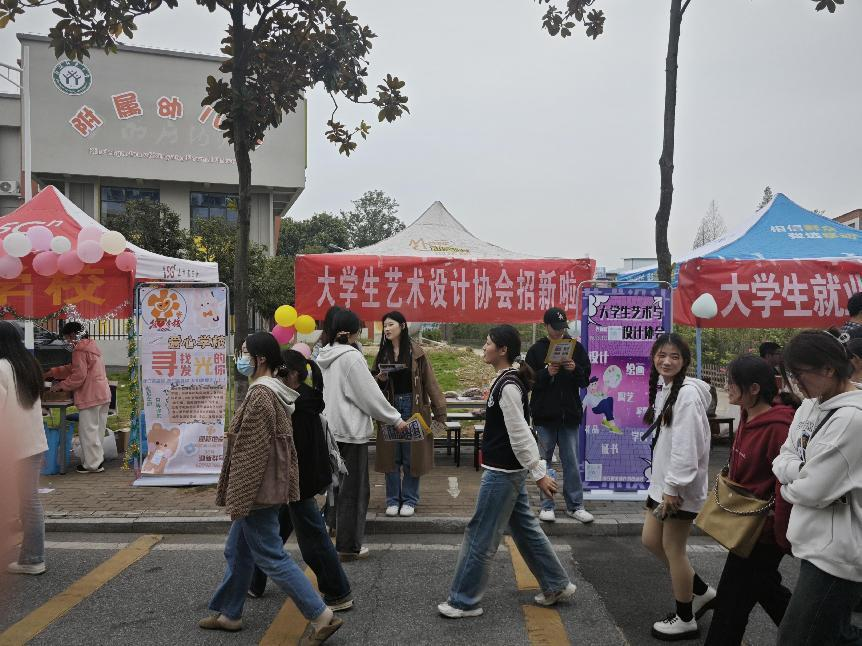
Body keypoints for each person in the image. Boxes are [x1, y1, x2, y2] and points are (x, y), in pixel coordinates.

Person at [201, 332, 342, 644]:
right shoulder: (274, 391)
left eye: (244, 352)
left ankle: (322, 616)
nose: (240, 358)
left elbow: (252, 454)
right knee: (237, 549)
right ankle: (230, 614)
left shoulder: (261, 395)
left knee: (269, 555)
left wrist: (240, 497)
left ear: (260, 358)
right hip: (265, 488)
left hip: (256, 492)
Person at [438, 324, 576, 619]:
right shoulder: (506, 381)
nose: (484, 347)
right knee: (524, 529)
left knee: (480, 534)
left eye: (488, 343)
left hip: (502, 473)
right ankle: (556, 584)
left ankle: (463, 601)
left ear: (503, 350)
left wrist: (539, 472)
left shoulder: (508, 385)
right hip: (508, 469)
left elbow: (520, 432)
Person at [772, 330, 862, 646]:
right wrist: (799, 471)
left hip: (838, 552)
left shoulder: (852, 419)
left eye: (800, 375)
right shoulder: (809, 406)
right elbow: (783, 455)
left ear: (828, 368)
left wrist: (787, 485)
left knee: (796, 638)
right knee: (832, 635)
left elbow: (811, 491)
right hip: (813, 539)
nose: (796, 384)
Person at [246, 349, 353, 611]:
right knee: (272, 533)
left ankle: (339, 592)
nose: (275, 375)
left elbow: (293, 449)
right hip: (295, 479)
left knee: (313, 540)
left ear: (292, 374)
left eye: (279, 371)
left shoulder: (295, 405)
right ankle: (253, 581)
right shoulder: (301, 398)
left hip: (298, 482)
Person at [704, 355, 795, 646]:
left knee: (730, 606)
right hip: (747, 524)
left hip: (762, 533)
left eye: (732, 382)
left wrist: (781, 535)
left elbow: (785, 485)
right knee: (768, 591)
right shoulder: (747, 414)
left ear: (754, 388)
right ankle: (821, 635)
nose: (726, 387)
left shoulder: (779, 427)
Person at [640, 332, 715, 641]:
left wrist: (673, 488)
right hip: (662, 485)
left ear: (684, 361)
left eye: (674, 356)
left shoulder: (687, 395)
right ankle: (702, 591)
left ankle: (685, 618)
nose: (667, 361)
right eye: (662, 355)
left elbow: (687, 447)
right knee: (650, 540)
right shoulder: (667, 388)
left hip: (676, 490)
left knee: (674, 550)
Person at [316, 309, 407, 561]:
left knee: (336, 487)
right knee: (354, 492)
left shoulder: (326, 354)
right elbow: (369, 396)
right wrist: (395, 418)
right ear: (351, 331)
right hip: (350, 432)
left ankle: (332, 529)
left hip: (330, 430)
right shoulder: (350, 357)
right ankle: (348, 547)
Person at [373, 311, 447, 518]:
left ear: (403, 326)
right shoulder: (382, 354)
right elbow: (372, 386)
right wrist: (380, 379)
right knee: (391, 458)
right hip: (389, 410)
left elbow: (430, 383)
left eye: (391, 325)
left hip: (414, 409)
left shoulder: (417, 352)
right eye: (385, 325)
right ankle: (392, 500)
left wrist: (440, 412)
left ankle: (409, 500)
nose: (387, 329)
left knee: (411, 457)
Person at [524, 307, 594, 524]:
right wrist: (546, 373)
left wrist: (575, 369)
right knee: (544, 462)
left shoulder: (576, 348)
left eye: (562, 328)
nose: (559, 332)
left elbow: (585, 380)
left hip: (569, 415)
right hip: (545, 416)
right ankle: (547, 506)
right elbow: (528, 381)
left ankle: (575, 505)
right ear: (546, 326)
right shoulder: (536, 350)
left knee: (571, 462)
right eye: (555, 328)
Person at [1, 321, 49, 575]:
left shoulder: (2, 368)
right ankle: (33, 557)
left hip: (10, 448)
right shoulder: (29, 364)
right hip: (32, 444)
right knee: (30, 502)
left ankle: (29, 557)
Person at [44, 322, 111, 474]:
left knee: (88, 432)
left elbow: (78, 376)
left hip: (90, 395)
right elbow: (74, 368)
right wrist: (53, 372)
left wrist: (60, 386)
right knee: (97, 431)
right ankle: (97, 461)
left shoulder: (79, 349)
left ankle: (91, 465)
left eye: (67, 338)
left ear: (73, 334)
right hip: (102, 393)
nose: (67, 341)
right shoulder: (91, 346)